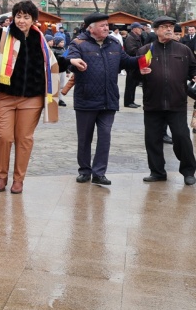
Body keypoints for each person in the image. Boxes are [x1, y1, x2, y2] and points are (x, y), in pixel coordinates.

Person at [0, 1, 59, 195]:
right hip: (3, 96)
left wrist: (71, 61)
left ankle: (18, 179)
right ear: (13, 18)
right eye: (18, 16)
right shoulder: (3, 35)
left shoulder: (40, 39)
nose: (22, 20)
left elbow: (51, 62)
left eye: (26, 17)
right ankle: (2, 176)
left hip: (31, 99)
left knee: (24, 139)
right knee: (4, 137)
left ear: (33, 20)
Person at [66, 13, 145, 186]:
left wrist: (145, 59)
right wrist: (74, 61)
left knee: (105, 136)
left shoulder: (115, 44)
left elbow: (128, 62)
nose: (106, 28)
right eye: (102, 25)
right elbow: (68, 58)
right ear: (91, 28)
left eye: (107, 25)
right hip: (86, 99)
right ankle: (84, 171)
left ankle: (99, 173)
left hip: (109, 100)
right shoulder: (78, 43)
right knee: (84, 138)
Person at [136, 16, 196, 185]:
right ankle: (157, 172)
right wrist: (140, 73)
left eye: (171, 26)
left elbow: (193, 68)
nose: (169, 29)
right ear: (156, 30)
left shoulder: (183, 50)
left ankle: (188, 171)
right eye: (164, 27)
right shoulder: (145, 51)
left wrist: (194, 75)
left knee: (182, 137)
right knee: (152, 140)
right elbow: (135, 74)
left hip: (177, 102)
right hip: (152, 103)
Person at [122, 22, 145, 108]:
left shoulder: (136, 37)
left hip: (135, 63)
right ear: (134, 29)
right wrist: (142, 51)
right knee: (130, 84)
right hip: (131, 63)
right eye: (139, 28)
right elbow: (132, 51)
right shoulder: (130, 38)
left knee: (133, 83)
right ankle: (128, 102)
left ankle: (131, 100)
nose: (141, 30)